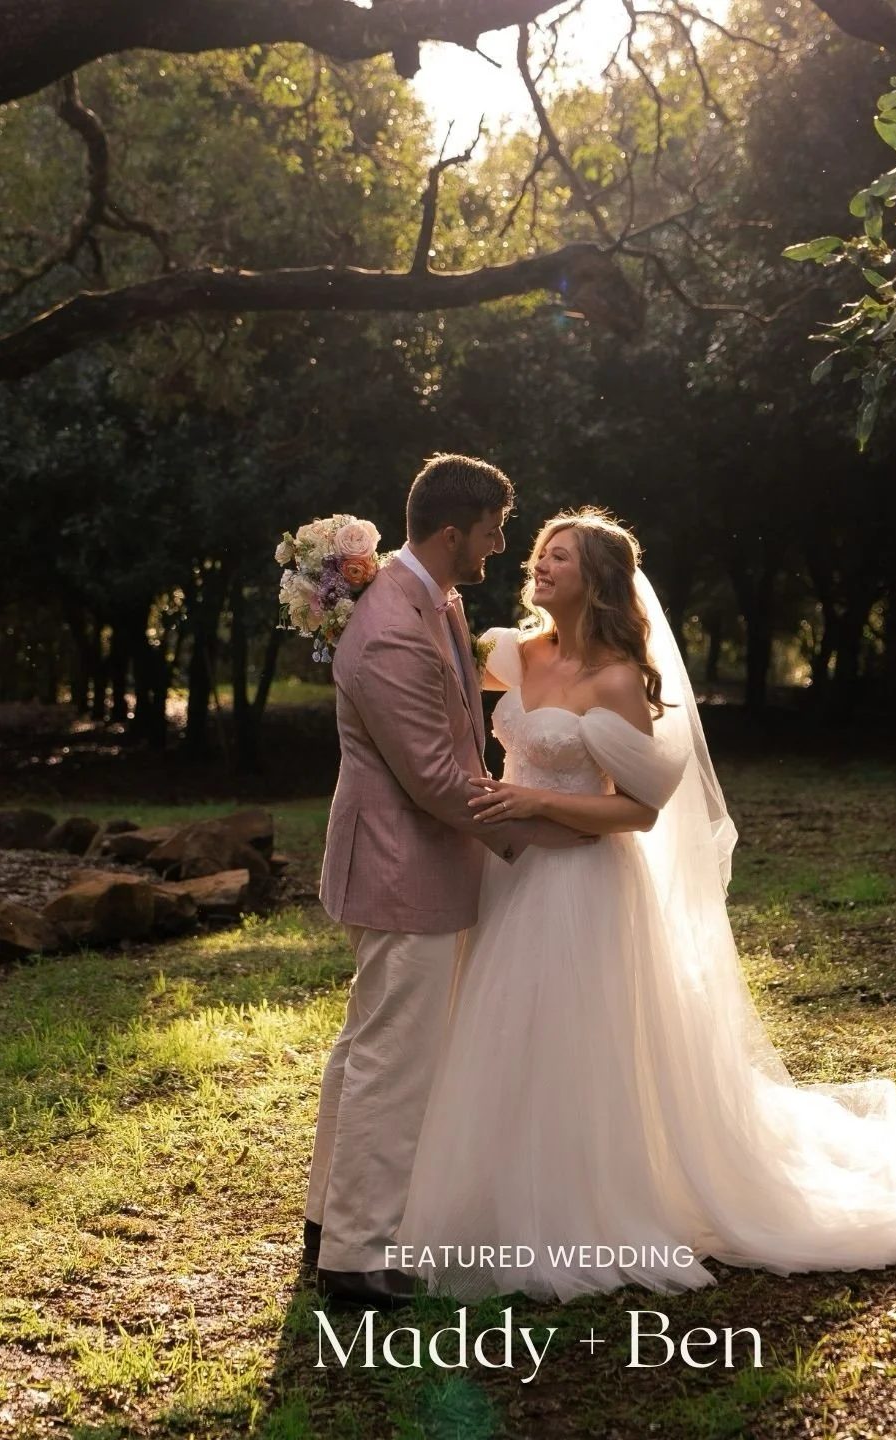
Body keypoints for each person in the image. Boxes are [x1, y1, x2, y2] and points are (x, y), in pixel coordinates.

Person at [397, 507, 896, 1302]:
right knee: (496, 1028)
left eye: (560, 558)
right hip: (507, 873)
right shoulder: (508, 651)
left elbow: (637, 814)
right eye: (540, 556)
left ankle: (575, 1202)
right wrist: (351, 596)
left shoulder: (617, 680)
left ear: (600, 581)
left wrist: (528, 802)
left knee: (569, 1040)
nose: (539, 567)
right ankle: (489, 1186)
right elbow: (426, 665)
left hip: (580, 883)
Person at [305, 455, 582, 1308]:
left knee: (367, 1043)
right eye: (496, 532)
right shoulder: (391, 624)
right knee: (396, 1056)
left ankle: (328, 1219)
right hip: (402, 865)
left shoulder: (434, 598)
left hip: (407, 861)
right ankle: (355, 1254)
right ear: (454, 531)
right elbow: (433, 777)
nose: (503, 548)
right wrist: (545, 835)